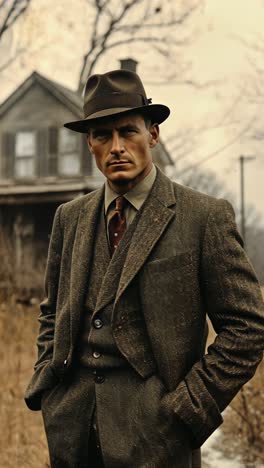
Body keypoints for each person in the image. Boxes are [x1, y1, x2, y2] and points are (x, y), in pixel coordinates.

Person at [25, 69, 264, 468]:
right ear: (90, 143)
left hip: (159, 440)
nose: (116, 147)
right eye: (102, 135)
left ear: (152, 135)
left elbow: (248, 328)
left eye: (128, 132)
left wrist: (188, 409)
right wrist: (49, 388)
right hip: (73, 434)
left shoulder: (203, 217)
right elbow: (53, 311)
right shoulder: (69, 218)